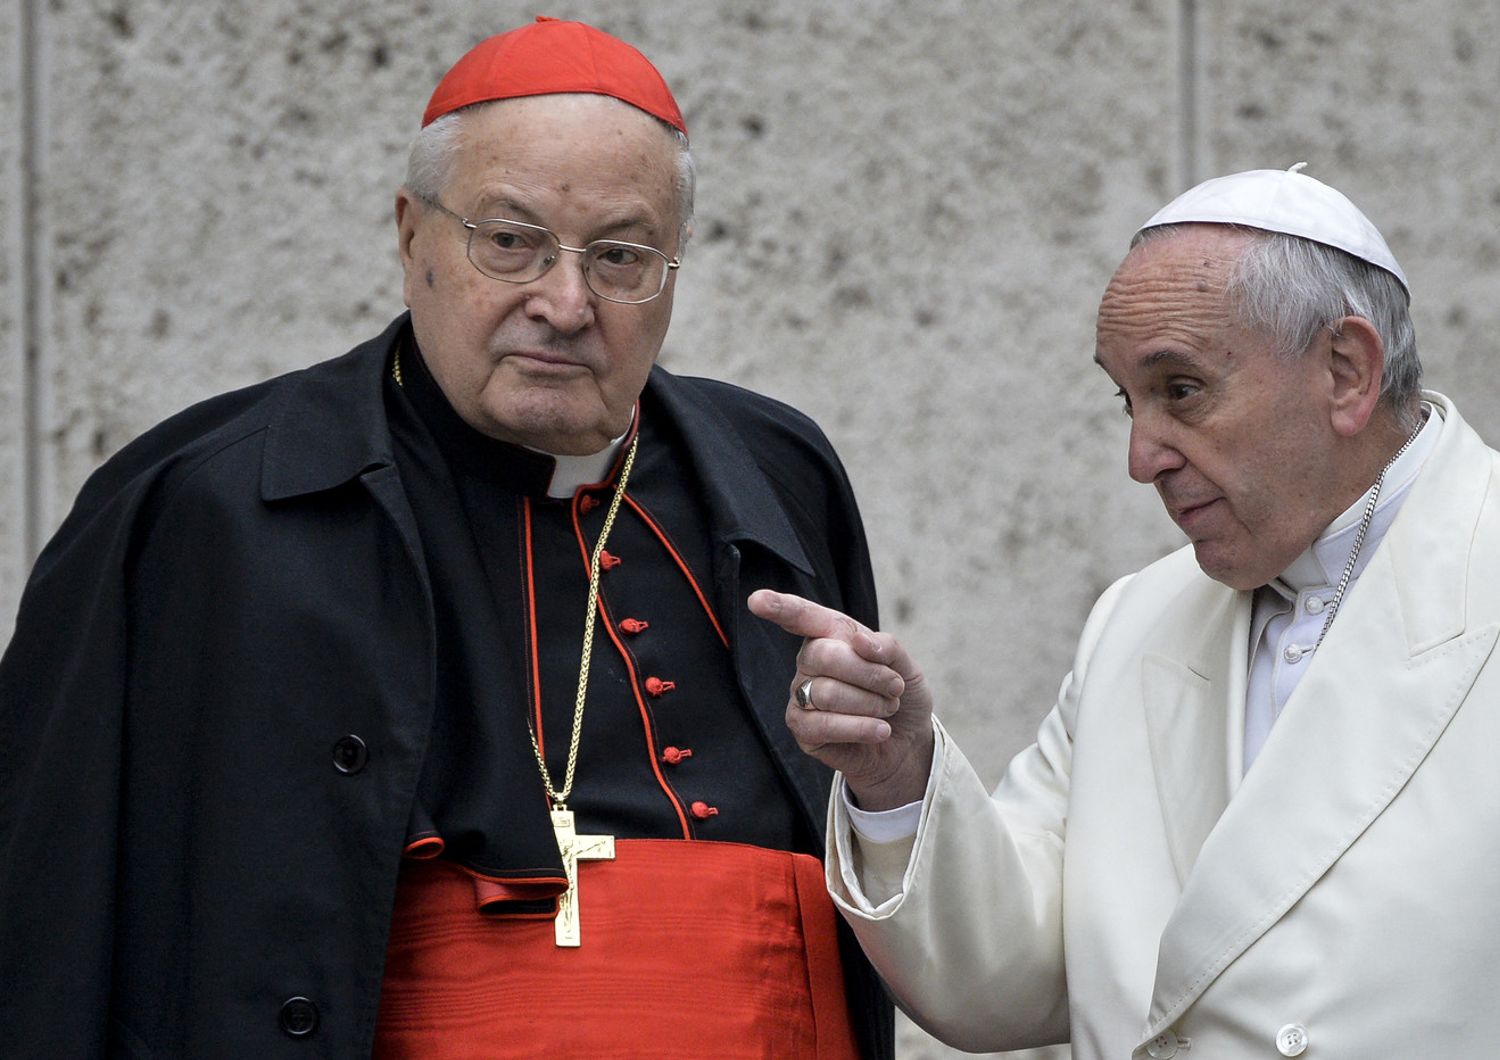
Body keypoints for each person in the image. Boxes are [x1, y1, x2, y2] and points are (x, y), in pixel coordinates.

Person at [0, 18, 893, 1058]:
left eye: (621, 256)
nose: (564, 303)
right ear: (410, 235)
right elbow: (46, 918)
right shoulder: (197, 502)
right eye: (509, 240)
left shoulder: (778, 472)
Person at [751, 165, 1500, 1058]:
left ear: (1346, 371)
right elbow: (1012, 972)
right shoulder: (1136, 621)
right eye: (1127, 400)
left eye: (1180, 390)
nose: (1142, 458)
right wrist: (897, 775)